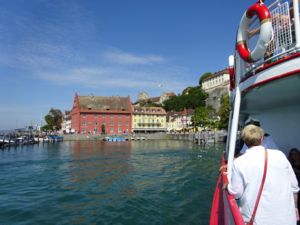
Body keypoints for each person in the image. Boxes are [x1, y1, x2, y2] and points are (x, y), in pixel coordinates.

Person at [227, 124, 299, 225]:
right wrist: (295, 208)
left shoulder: (239, 162)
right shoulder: (280, 155)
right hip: (287, 219)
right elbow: (294, 187)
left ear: (245, 141)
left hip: (257, 220)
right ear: (262, 138)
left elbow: (236, 192)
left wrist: (227, 185)